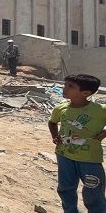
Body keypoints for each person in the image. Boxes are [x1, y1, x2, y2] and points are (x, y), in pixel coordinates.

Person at [48, 74, 106, 213]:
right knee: (65, 188)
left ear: (86, 93)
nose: (64, 89)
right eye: (65, 85)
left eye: (70, 86)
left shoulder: (100, 110)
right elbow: (52, 122)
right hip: (64, 155)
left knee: (93, 190)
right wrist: (55, 136)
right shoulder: (60, 108)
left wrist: (104, 132)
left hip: (89, 158)